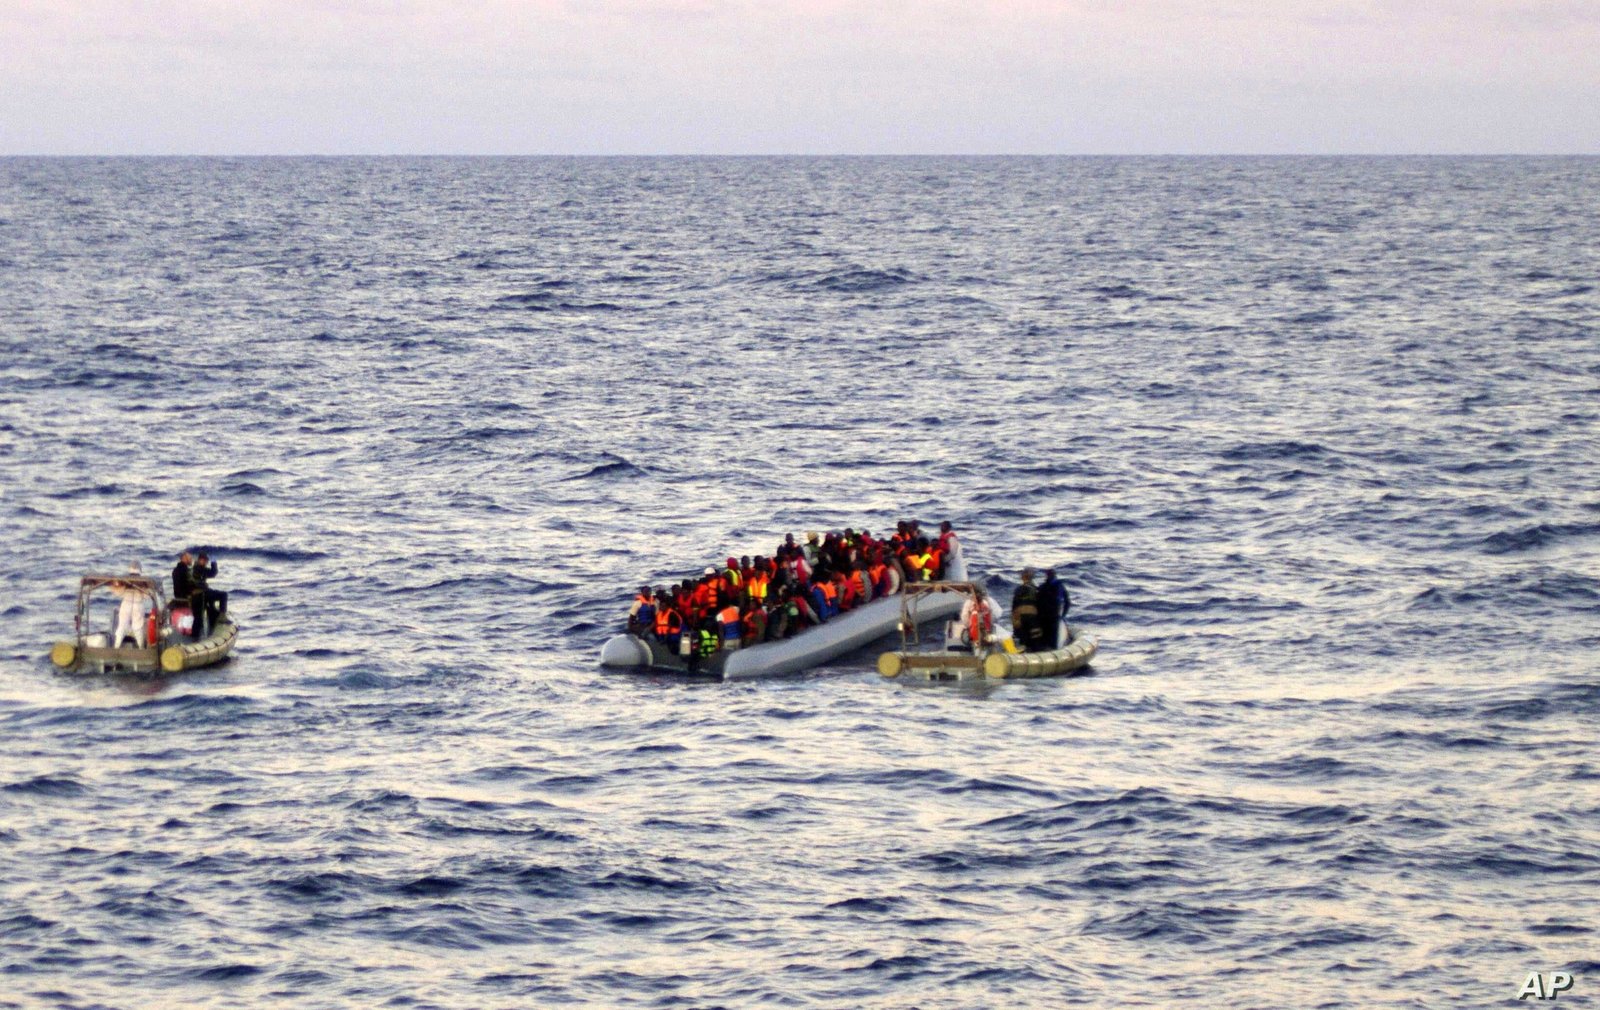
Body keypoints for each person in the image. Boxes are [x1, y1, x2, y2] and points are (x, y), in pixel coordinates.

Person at [110, 563, 149, 649]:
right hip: (138, 605)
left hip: (126, 604)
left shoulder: (124, 580)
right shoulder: (143, 581)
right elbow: (146, 596)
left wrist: (114, 585)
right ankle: (141, 648)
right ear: (140, 570)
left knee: (122, 627)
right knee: (138, 628)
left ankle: (116, 647)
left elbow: (119, 592)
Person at [190, 552, 227, 638]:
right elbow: (212, 573)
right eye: (204, 561)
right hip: (200, 594)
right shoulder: (198, 568)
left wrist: (213, 564)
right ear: (200, 560)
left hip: (201, 594)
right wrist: (213, 563)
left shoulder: (198, 568)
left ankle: (198, 635)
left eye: (206, 561)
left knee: (201, 616)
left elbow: (212, 573)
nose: (206, 562)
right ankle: (221, 616)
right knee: (223, 595)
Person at [1012, 568, 1044, 652]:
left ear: (1022, 578)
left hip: (1020, 617)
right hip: (1032, 617)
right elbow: (1040, 605)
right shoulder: (1036, 590)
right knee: (1035, 637)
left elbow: (1014, 607)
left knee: (1022, 638)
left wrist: (1015, 622)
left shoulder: (1018, 590)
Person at [1037, 568, 1070, 649]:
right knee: (1053, 639)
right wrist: (1063, 616)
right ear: (1055, 575)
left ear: (1046, 576)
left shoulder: (1042, 587)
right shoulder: (1060, 586)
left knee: (1045, 637)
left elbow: (1037, 601)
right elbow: (1067, 602)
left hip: (1043, 616)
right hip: (1054, 616)